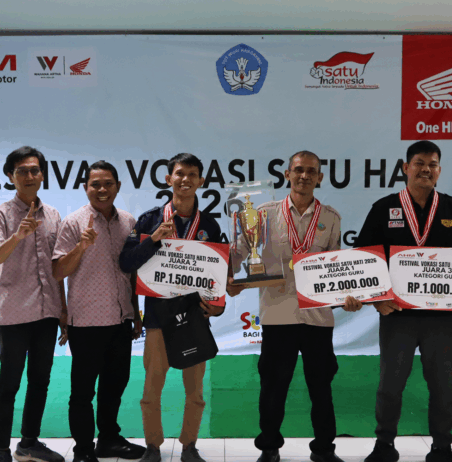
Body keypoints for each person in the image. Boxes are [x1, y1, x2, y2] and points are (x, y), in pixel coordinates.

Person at [357, 141, 452, 462]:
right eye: (419, 163)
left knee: (442, 388)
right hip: (397, 315)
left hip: (440, 319)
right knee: (390, 385)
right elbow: (364, 258)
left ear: (439, 171)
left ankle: (442, 447)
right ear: (406, 168)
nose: (426, 169)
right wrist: (377, 300)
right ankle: (384, 445)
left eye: (432, 164)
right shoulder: (384, 207)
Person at [227, 150, 362, 462]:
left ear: (320, 177)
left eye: (311, 171)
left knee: (321, 389)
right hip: (278, 315)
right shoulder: (263, 213)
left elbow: (336, 268)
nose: (304, 176)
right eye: (298, 170)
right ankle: (269, 448)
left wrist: (347, 296)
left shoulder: (331, 218)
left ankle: (324, 450)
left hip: (318, 319)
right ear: (287, 174)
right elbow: (241, 250)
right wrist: (227, 277)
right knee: (273, 388)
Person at [119, 153, 224, 462]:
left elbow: (217, 273)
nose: (185, 179)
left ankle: (189, 446)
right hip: (157, 318)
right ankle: (153, 446)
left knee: (196, 393)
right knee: (151, 391)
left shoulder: (209, 225)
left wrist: (217, 305)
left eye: (192, 174)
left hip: (195, 319)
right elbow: (126, 262)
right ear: (168, 179)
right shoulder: (149, 220)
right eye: (179, 173)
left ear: (201, 181)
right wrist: (152, 239)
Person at [52, 161, 144, 462]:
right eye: (95, 184)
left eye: (108, 183)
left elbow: (132, 272)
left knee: (114, 386)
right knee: (82, 392)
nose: (102, 189)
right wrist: (81, 246)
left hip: (121, 319)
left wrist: (136, 312)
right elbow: (58, 271)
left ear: (117, 186)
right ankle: (83, 450)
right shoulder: (73, 223)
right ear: (86, 188)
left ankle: (109, 440)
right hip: (86, 322)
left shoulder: (129, 222)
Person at [0, 147, 67, 462]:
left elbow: (58, 268)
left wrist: (63, 310)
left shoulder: (53, 214)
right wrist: (17, 236)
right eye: (22, 171)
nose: (29, 176)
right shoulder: (3, 214)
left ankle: (28, 443)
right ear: (10, 176)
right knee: (8, 384)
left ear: (42, 175)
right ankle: (1, 448)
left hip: (47, 313)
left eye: (35, 170)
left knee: (40, 381)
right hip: (13, 314)